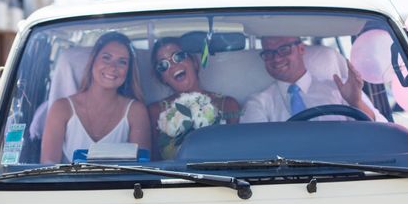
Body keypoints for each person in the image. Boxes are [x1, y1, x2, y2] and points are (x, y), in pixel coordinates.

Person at [41, 32, 151, 163]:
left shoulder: (136, 111)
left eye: (122, 62)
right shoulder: (62, 109)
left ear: (128, 71)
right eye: (106, 57)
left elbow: (143, 169)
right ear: (93, 60)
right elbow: (47, 167)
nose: (112, 67)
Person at [241, 36, 385, 123]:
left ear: (301, 49)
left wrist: (356, 103)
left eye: (284, 49)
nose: (277, 58)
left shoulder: (339, 89)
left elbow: (380, 130)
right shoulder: (258, 102)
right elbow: (256, 149)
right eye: (269, 53)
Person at [149, 37, 240, 159]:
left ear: (194, 62)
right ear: (162, 78)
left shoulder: (228, 105)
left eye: (179, 56)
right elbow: (153, 163)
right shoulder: (155, 111)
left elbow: (236, 155)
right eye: (163, 65)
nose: (173, 66)